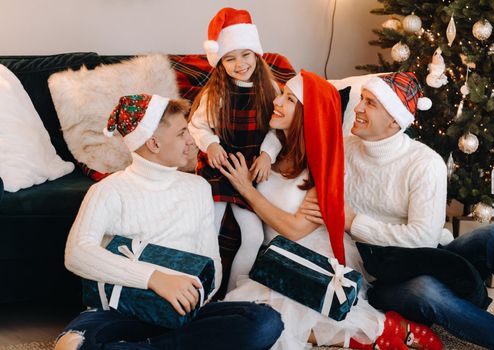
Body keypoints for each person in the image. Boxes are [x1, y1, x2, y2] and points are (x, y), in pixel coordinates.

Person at [219, 71, 442, 350]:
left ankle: (378, 329)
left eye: (289, 98)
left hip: (312, 249)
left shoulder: (320, 163)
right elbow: (274, 137)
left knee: (276, 310)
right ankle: (370, 338)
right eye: (281, 94)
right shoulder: (269, 150)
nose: (276, 101)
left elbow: (296, 228)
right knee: (245, 312)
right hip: (277, 251)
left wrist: (247, 190)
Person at [301, 72, 494, 350]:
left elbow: (423, 240)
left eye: (370, 103)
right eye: (361, 99)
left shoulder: (424, 163)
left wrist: (353, 222)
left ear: (394, 120)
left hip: (429, 258)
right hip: (378, 278)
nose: (357, 108)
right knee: (426, 290)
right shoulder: (343, 151)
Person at [55, 94, 283, 350]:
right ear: (153, 143)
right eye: (182, 133)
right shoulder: (109, 190)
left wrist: (195, 294)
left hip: (184, 312)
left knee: (265, 321)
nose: (191, 140)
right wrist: (156, 279)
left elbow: (212, 263)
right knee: (72, 344)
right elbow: (77, 253)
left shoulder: (198, 187)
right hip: (123, 310)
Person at [188, 7, 282, 292]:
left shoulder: (271, 89)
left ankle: (232, 293)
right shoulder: (215, 93)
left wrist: (267, 154)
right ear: (221, 63)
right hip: (219, 167)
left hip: (249, 171)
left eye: (245, 54)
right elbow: (197, 125)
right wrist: (211, 144)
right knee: (210, 229)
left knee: (253, 236)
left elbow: (278, 129)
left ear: (256, 54)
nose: (239, 63)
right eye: (230, 58)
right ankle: (206, 290)